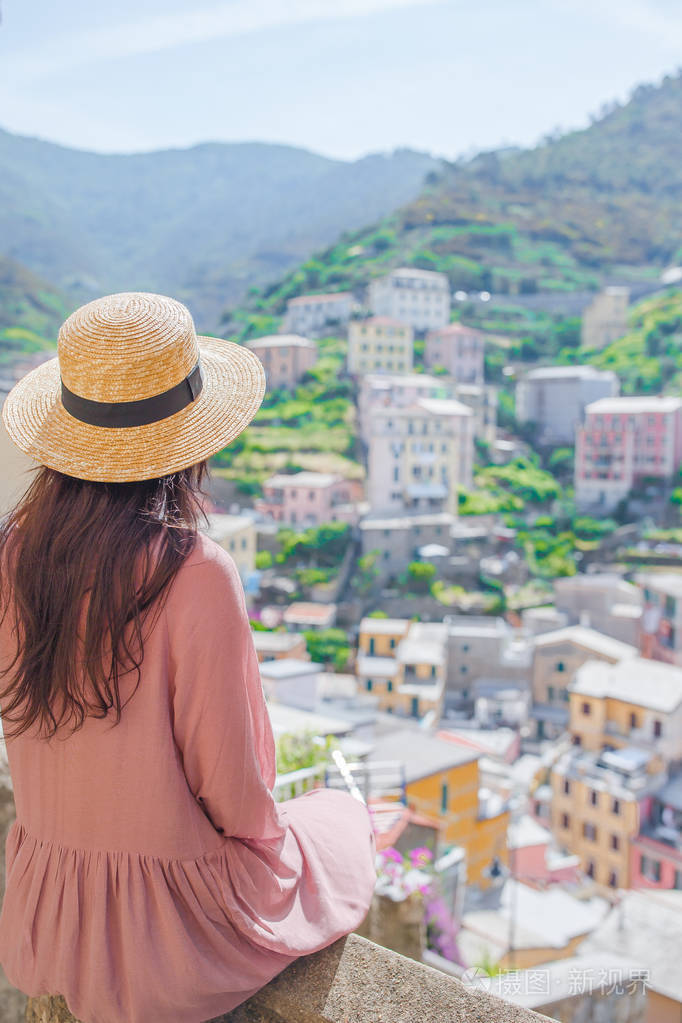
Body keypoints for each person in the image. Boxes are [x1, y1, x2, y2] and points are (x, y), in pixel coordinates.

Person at [0, 293, 377, 1023]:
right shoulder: (194, 570)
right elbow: (235, 791)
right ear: (189, 440)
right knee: (339, 818)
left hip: (47, 914)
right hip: (168, 933)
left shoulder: (14, 555)